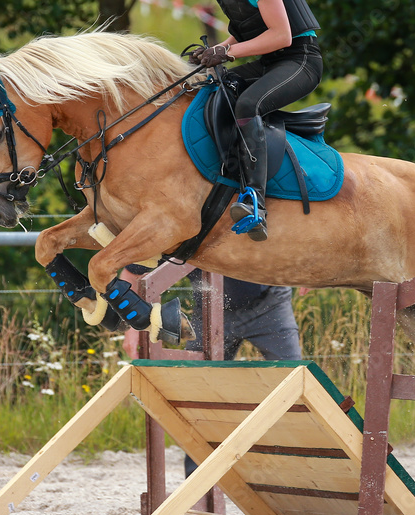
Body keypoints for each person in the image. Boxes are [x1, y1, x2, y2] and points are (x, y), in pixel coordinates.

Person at [121, 268, 302, 477]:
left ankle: (299, 470)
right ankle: (198, 481)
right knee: (195, 396)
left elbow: (300, 237)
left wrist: (312, 271)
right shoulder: (167, 235)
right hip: (210, 309)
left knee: (295, 383)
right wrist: (132, 327)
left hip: (270, 303)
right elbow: (131, 273)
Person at [189, 0, 323, 242]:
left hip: (300, 61)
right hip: (268, 63)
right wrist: (215, 50)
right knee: (205, 88)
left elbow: (282, 36)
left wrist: (225, 52)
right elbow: (246, 31)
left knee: (249, 105)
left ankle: (255, 201)